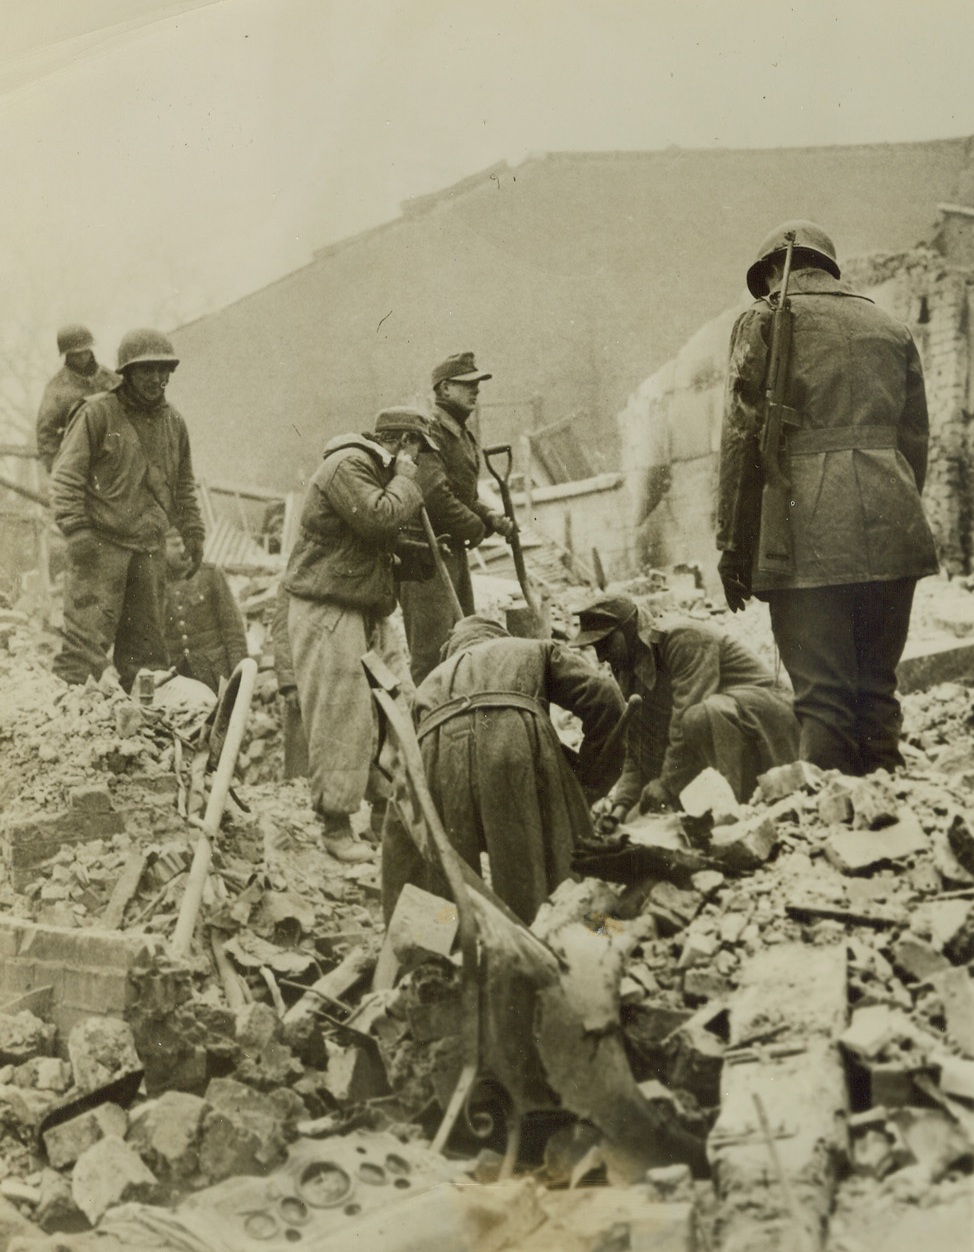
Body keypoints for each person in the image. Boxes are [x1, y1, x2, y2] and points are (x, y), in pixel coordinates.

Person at [716, 221, 938, 776]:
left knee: (822, 700)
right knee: (877, 691)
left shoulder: (761, 319)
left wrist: (733, 546)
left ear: (771, 272)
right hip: (895, 525)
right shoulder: (891, 327)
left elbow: (742, 441)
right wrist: (894, 507)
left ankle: (834, 826)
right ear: (828, 268)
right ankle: (886, 828)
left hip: (803, 533)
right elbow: (915, 441)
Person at [382, 613, 626, 925]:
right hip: (511, 745)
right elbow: (605, 697)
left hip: (438, 757)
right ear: (498, 636)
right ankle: (576, 939)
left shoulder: (430, 682)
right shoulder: (531, 648)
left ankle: (441, 955)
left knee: (442, 879)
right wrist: (585, 783)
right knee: (554, 863)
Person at [282, 407, 434, 862]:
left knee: (392, 710)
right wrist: (406, 478)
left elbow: (364, 539)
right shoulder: (346, 464)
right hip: (327, 609)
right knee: (341, 716)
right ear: (404, 442)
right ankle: (335, 826)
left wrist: (416, 552)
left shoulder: (368, 471)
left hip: (361, 606)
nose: (419, 462)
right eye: (418, 451)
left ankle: (381, 816)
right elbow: (378, 518)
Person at [50, 329, 205, 692]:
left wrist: (193, 531)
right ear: (126, 373)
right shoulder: (96, 414)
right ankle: (64, 735)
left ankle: (142, 739)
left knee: (148, 658)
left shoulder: (174, 423)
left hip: (149, 551)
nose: (156, 379)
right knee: (82, 655)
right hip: (100, 549)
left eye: (163, 370)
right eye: (146, 370)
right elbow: (65, 479)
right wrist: (77, 532)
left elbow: (183, 486)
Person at [572, 596, 799, 827]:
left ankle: (736, 811)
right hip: (720, 733)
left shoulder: (682, 637)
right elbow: (638, 749)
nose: (600, 657)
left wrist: (667, 784)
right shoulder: (625, 671)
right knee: (635, 823)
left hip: (769, 717)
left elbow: (685, 715)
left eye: (605, 644)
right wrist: (619, 811)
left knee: (699, 716)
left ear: (628, 628)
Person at [398, 352, 514, 684]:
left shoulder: (462, 435)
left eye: (477, 384)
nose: (476, 390)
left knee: (461, 644)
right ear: (445, 388)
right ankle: (420, 730)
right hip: (423, 557)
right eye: (467, 385)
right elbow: (434, 497)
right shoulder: (428, 431)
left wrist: (491, 517)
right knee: (432, 655)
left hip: (450, 553)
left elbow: (463, 497)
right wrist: (478, 527)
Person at [164, 529, 248, 693]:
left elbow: (233, 632)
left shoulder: (210, 575)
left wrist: (238, 681)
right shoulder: (155, 583)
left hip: (214, 676)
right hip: (176, 681)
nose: (184, 550)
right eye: (176, 545)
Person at [35, 324, 118, 473]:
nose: (82, 357)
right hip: (80, 464)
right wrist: (57, 469)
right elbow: (46, 434)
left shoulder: (111, 379)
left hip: (116, 459)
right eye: (75, 354)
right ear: (67, 355)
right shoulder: (57, 389)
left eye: (85, 351)